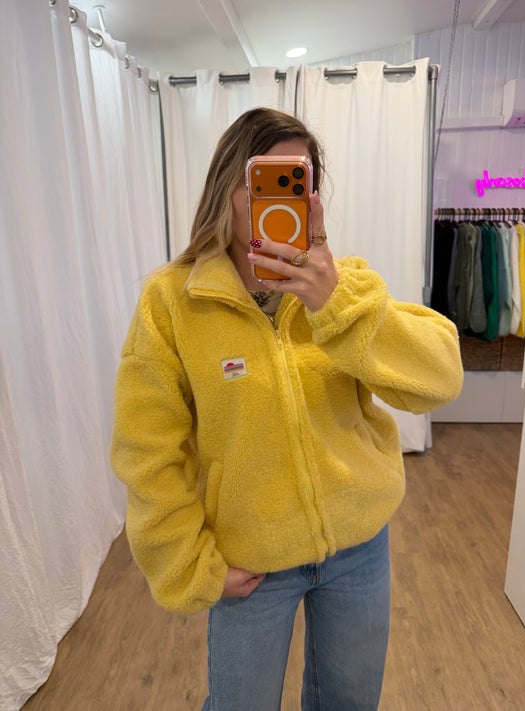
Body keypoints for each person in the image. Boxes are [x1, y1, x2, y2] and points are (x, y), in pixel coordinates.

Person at [110, 107, 463, 711]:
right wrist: (192, 566)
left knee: (349, 702)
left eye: (295, 182)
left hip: (358, 549)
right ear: (227, 188)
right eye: (263, 181)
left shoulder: (344, 286)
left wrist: (335, 305)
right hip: (253, 565)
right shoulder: (172, 303)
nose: (277, 201)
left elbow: (440, 376)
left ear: (312, 200)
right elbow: (148, 452)